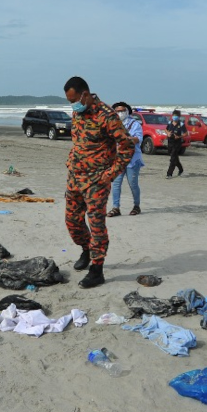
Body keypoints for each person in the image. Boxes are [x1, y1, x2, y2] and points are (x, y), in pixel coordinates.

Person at [63, 76, 136, 289]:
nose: (72, 105)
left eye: (74, 100)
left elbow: (126, 147)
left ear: (85, 95)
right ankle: (86, 250)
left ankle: (97, 269)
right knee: (72, 221)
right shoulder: (77, 113)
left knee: (96, 225)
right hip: (75, 177)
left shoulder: (107, 116)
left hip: (97, 180)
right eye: (69, 101)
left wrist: (111, 174)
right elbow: (79, 143)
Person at [108, 102, 144, 217]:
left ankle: (136, 205)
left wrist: (125, 139)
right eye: (117, 111)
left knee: (133, 183)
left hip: (132, 159)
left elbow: (138, 139)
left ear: (127, 111)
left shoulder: (134, 124)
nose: (120, 113)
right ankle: (115, 207)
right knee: (116, 183)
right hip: (117, 159)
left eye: (122, 110)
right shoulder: (112, 125)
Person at [166, 109, 186, 178]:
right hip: (170, 142)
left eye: (176, 116)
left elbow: (186, 133)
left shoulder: (181, 124)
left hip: (177, 143)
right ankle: (181, 169)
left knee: (172, 159)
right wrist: (168, 133)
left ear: (179, 117)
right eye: (174, 115)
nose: (175, 117)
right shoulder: (170, 123)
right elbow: (166, 129)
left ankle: (169, 174)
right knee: (174, 157)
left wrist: (179, 136)